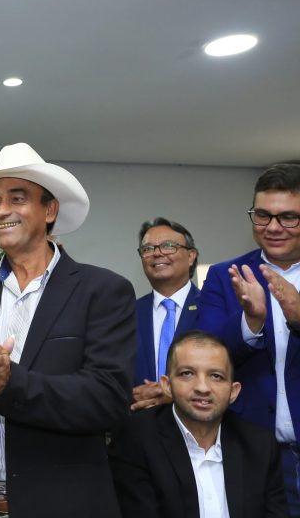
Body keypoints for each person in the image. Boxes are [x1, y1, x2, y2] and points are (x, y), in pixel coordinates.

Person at [0, 142, 136, 518]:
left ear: (49, 210)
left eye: (17, 199)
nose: (1, 210)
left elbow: (107, 398)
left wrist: (10, 385)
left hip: (64, 505)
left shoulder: (101, 291)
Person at [198, 163, 300, 515]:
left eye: (288, 217)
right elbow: (205, 357)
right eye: (263, 215)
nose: (273, 227)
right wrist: (251, 321)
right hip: (253, 452)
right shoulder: (225, 276)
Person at [110, 330, 287, 517]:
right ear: (167, 385)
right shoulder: (136, 438)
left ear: (233, 391)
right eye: (187, 374)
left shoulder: (260, 445)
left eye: (216, 376)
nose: (202, 387)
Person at [132, 217, 201, 411]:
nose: (157, 254)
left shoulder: (213, 308)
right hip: (139, 426)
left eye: (168, 246)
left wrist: (174, 394)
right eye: (147, 249)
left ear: (191, 256)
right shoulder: (127, 313)